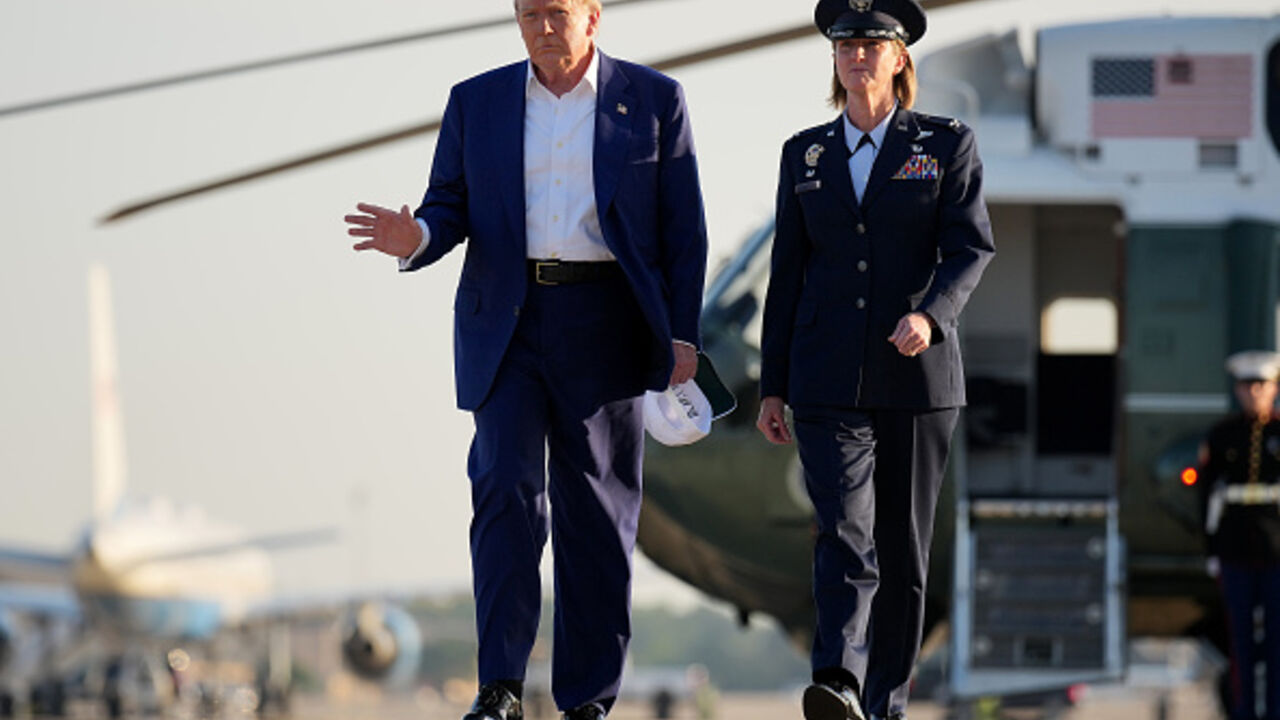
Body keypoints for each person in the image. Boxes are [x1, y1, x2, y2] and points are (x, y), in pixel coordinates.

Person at [342, 0, 709, 717]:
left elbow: (683, 229)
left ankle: (587, 700)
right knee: (506, 490)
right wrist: (415, 234)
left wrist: (684, 336)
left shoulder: (656, 101)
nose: (543, 25)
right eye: (529, 12)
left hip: (608, 322)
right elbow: (448, 205)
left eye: (558, 12)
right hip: (507, 324)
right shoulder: (475, 101)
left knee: (597, 515)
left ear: (593, 18)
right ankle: (501, 687)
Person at [754, 1, 994, 718]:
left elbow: (971, 249)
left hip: (917, 381)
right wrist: (773, 387)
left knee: (903, 551)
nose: (857, 54)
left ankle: (884, 700)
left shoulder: (946, 145)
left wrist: (932, 314)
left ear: (899, 58)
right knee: (844, 532)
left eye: (871, 43)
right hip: (827, 377)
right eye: (846, 43)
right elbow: (787, 275)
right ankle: (839, 681)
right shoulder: (806, 153)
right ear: (834, 58)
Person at [1198, 350, 1280, 720]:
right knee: (1240, 642)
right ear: (1237, 390)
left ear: (1274, 388)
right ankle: (1244, 711)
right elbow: (1207, 496)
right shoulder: (1221, 435)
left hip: (1278, 549)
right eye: (1248, 385)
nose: (1255, 392)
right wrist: (1212, 550)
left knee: (1278, 640)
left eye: (1262, 384)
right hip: (1236, 550)